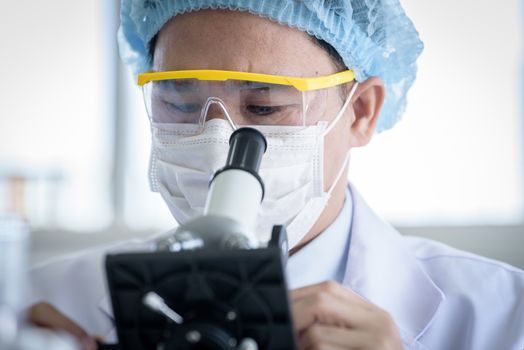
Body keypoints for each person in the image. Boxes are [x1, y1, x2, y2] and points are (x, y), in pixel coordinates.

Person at [27, 0, 524, 349]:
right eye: (179, 102)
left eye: (264, 106)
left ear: (361, 113)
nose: (217, 142)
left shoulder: (502, 317)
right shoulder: (45, 304)